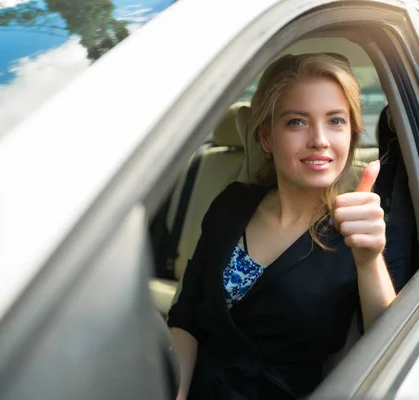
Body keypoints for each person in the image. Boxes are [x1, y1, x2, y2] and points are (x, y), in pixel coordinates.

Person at [167, 53, 402, 400]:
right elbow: (187, 315)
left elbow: (390, 348)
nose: (319, 139)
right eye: (296, 122)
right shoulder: (232, 203)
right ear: (265, 136)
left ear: (351, 132)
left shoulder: (366, 226)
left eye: (336, 121)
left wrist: (369, 260)